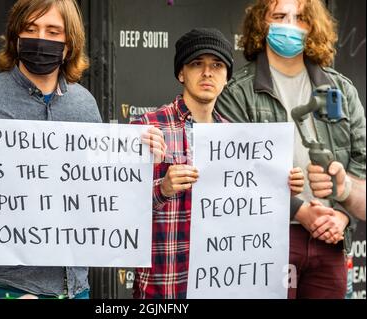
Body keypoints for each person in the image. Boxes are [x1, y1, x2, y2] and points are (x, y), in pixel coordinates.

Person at [0, 0, 165, 299]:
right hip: (6, 288)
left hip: (76, 287)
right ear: (16, 37)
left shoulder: (84, 105)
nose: (41, 39)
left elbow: (102, 193)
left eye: (53, 31)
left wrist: (138, 160)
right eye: (31, 29)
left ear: (68, 45)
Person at [131, 28, 308, 299]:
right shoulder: (147, 127)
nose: (207, 72)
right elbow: (119, 208)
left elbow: (248, 211)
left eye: (217, 65)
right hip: (164, 288)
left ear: (226, 77)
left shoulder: (237, 138)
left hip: (222, 287)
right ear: (181, 73)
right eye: (196, 64)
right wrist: (162, 189)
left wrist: (283, 191)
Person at [216, 0, 365, 298]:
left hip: (330, 239)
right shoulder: (237, 92)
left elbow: (362, 171)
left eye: (299, 18)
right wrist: (299, 210)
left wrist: (341, 216)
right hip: (264, 240)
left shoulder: (341, 90)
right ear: (262, 24)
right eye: (280, 16)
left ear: (312, 26)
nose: (289, 26)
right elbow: (233, 174)